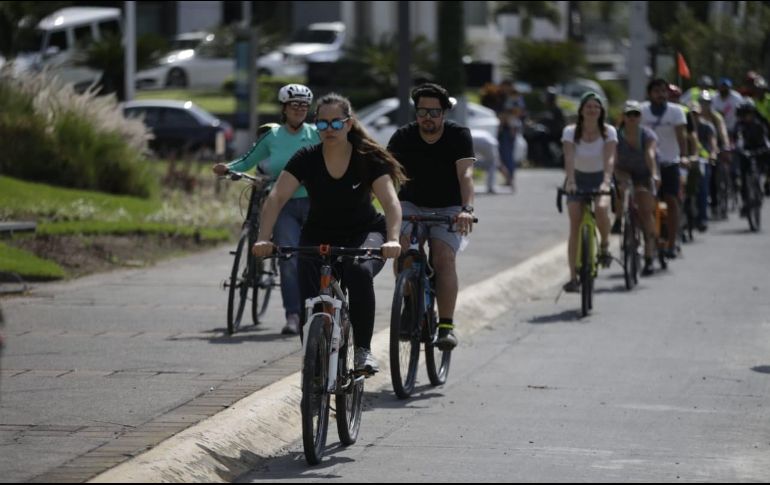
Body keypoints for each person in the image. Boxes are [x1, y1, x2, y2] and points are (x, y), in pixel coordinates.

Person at [251, 93, 405, 375]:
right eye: (322, 125)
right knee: (310, 299)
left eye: (336, 123)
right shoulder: (306, 158)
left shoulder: (367, 158)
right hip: (319, 233)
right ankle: (313, 366)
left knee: (357, 272)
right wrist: (264, 237)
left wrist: (393, 239)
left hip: (364, 232)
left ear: (349, 124)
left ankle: (362, 351)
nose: (329, 130)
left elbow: (391, 202)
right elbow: (276, 198)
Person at [213, 84, 320, 335]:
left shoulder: (316, 134)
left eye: (304, 106)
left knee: (315, 258)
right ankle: (293, 315)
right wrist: (227, 167)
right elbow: (248, 160)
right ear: (284, 108)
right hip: (281, 205)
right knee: (288, 260)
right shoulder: (272, 137)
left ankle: (316, 309)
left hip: (314, 203)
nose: (299, 110)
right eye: (294, 105)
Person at [387, 82, 476, 351]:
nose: (428, 117)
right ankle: (410, 303)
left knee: (443, 258)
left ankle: (446, 325)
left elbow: (466, 175)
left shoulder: (459, 135)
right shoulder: (402, 136)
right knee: (401, 250)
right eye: (423, 111)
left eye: (434, 112)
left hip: (449, 207)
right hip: (411, 203)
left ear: (444, 114)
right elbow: (387, 175)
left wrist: (466, 210)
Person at [561, 92, 617, 292]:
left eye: (596, 107)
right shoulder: (570, 131)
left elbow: (610, 159)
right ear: (581, 110)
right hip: (578, 178)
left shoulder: (608, 131)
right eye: (588, 106)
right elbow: (568, 157)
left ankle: (604, 246)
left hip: (601, 177)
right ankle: (573, 277)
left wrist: (606, 182)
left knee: (602, 209)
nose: (592, 110)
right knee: (574, 221)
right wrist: (571, 181)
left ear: (601, 111)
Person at [641, 78, 688, 260]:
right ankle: (648, 240)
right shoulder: (642, 111)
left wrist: (683, 157)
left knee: (671, 200)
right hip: (648, 164)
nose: (661, 94)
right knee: (646, 204)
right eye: (657, 91)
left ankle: (672, 240)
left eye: (664, 91)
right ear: (650, 94)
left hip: (670, 162)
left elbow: (681, 137)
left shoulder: (676, 112)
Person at [613, 100, 659, 276]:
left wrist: (654, 174)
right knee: (620, 187)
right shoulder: (615, 135)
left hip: (644, 173)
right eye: (628, 114)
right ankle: (618, 219)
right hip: (623, 170)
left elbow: (650, 154)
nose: (632, 118)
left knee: (646, 212)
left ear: (640, 117)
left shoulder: (648, 135)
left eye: (636, 115)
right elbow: (613, 158)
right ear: (623, 117)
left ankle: (648, 257)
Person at [733, 100, 770, 215]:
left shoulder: (759, 124)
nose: (747, 117)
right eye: (744, 114)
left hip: (760, 151)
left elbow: (765, 139)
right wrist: (740, 149)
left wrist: (766, 147)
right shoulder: (739, 126)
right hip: (745, 153)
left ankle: (767, 184)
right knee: (743, 178)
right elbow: (738, 139)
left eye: (749, 113)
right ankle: (745, 202)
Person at [471, 129, 504, 194]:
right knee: (492, 164)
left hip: (470, 139)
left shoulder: (485, 134)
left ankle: (462, 185)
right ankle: (490, 187)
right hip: (486, 143)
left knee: (466, 163)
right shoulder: (494, 142)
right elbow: (498, 163)